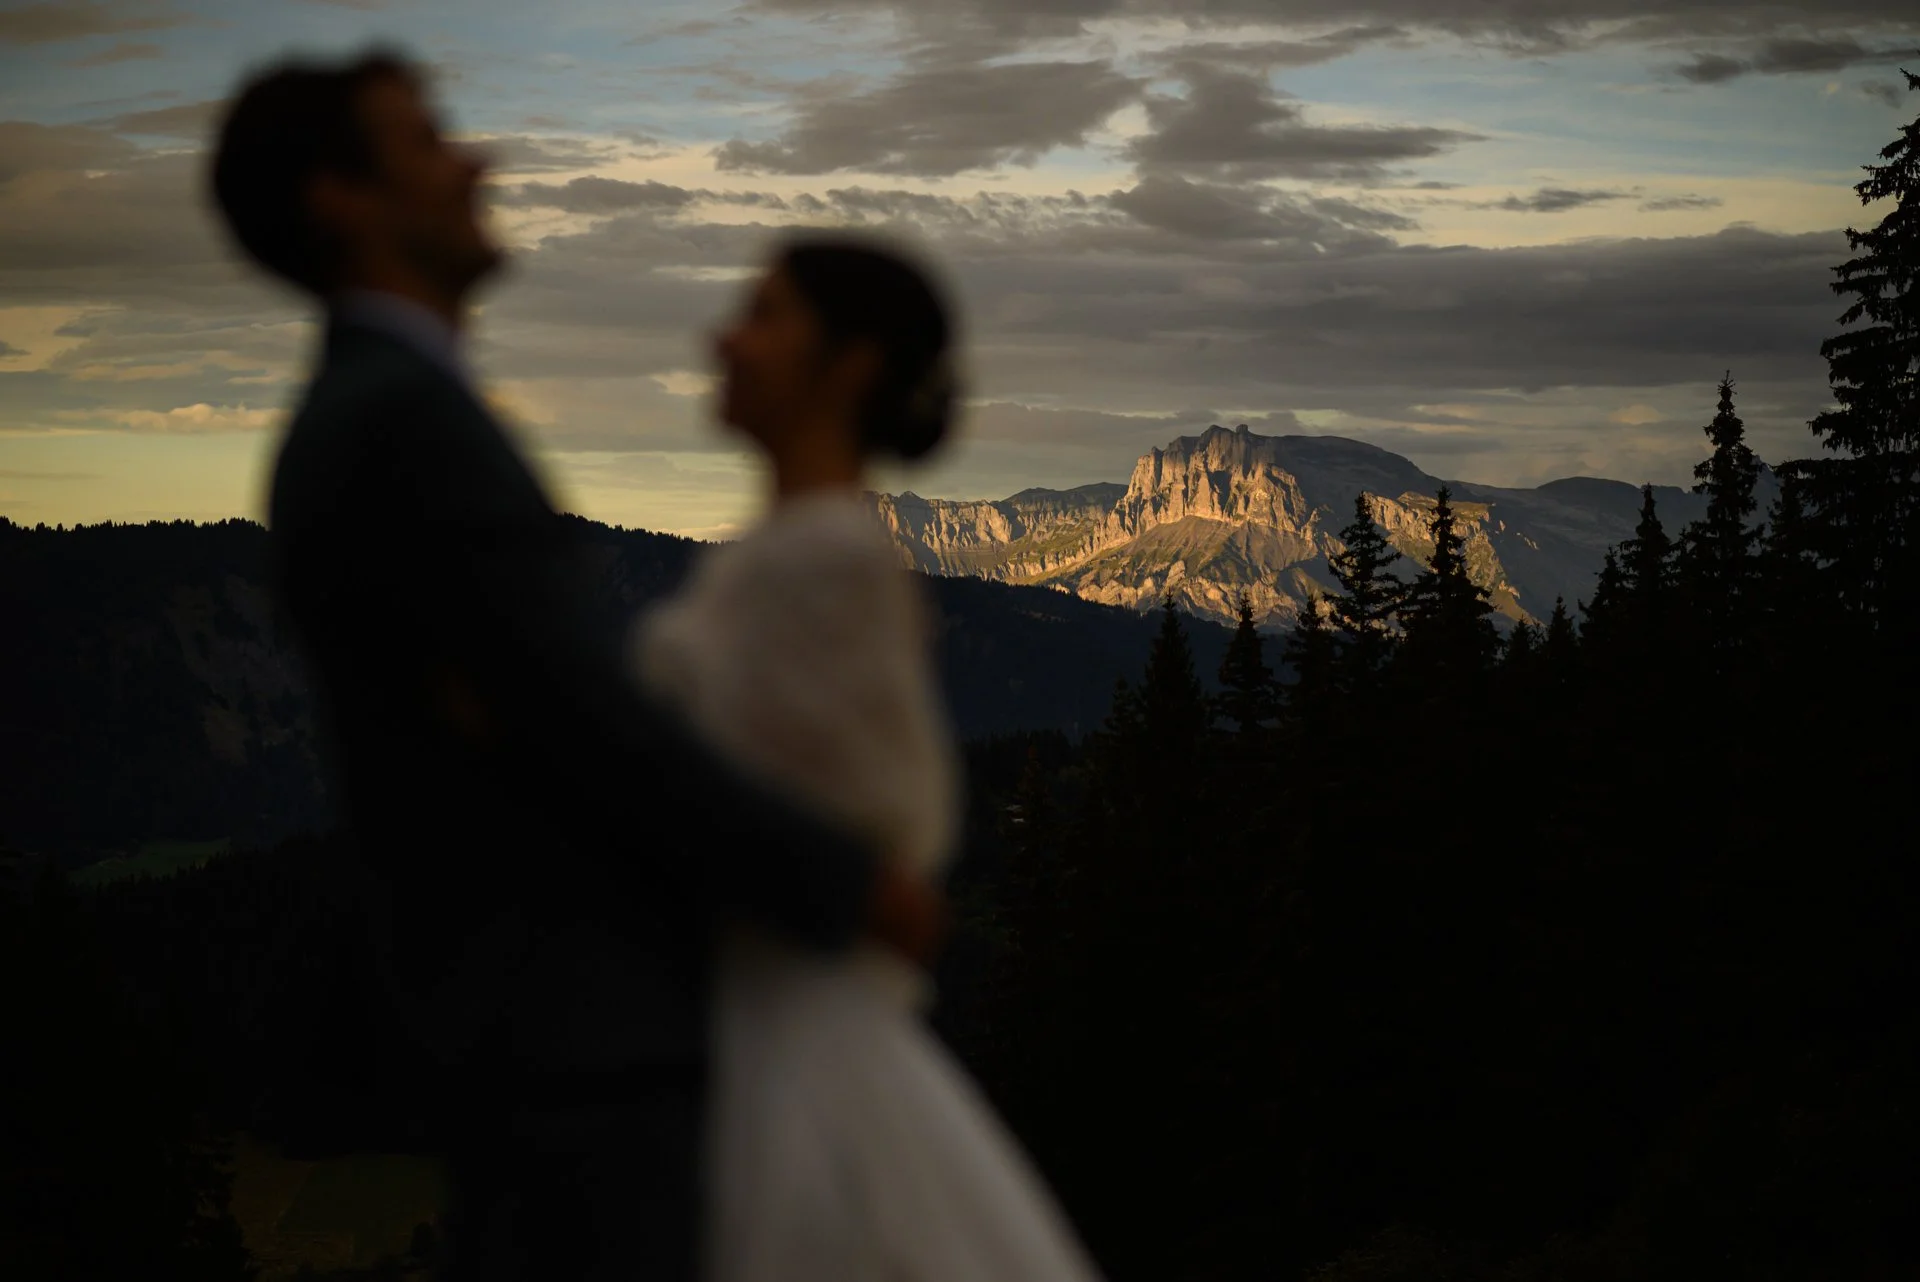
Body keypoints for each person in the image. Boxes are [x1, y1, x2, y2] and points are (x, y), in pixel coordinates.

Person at [206, 50, 942, 1281]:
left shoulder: (388, 408)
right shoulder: (395, 418)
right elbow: (576, 721)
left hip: (549, 1040)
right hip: (570, 1050)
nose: (476, 161)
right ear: (341, 198)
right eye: (427, 143)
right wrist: (849, 887)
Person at [633, 235, 1101, 1282]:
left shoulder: (825, 558)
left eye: (763, 314)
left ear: (847, 367)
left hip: (784, 1044)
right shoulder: (799, 548)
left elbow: (809, 819)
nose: (724, 338)